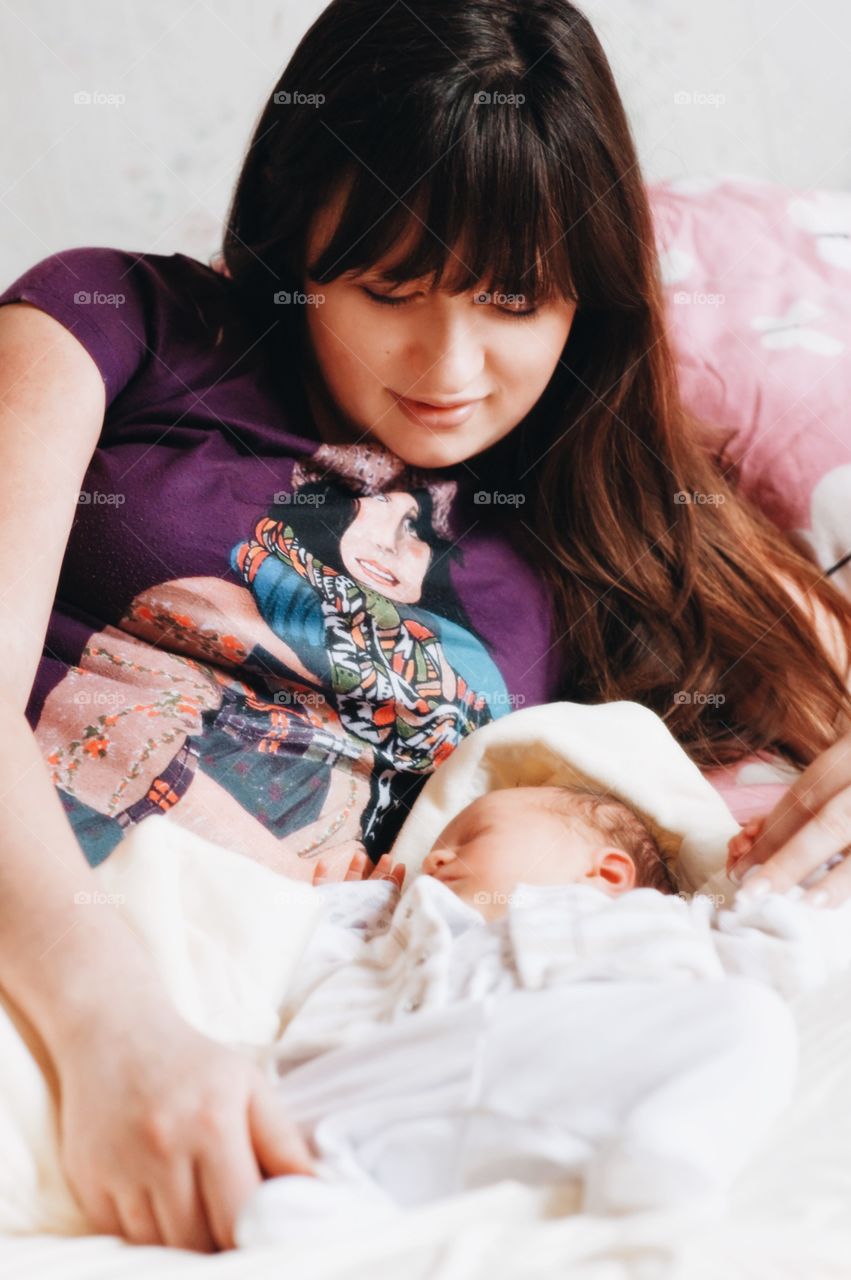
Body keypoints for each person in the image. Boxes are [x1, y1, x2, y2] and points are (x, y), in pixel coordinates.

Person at [2, 0, 851, 1255]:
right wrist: (105, 1014)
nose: (450, 363)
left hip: (294, 1004)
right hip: (55, 942)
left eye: (516, 298)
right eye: (391, 285)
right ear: (299, 240)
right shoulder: (116, 319)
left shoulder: (601, 514)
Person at [233, 783, 805, 1245]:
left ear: (605, 875)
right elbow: (301, 984)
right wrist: (337, 910)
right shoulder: (395, 938)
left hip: (551, 1079)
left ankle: (670, 1156)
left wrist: (763, 878)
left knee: (754, 1017)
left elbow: (772, 957)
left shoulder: (653, 926)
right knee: (282, 1172)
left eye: (475, 836)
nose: (435, 856)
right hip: (385, 1085)